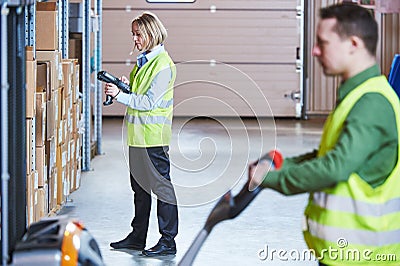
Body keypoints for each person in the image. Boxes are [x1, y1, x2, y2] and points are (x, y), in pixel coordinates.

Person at [249, 3, 400, 265]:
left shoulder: (371, 103)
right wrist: (287, 164)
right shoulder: (359, 95)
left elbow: (335, 167)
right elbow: (333, 154)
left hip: (363, 257)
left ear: (353, 44)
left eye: (323, 42)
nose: (315, 51)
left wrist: (273, 178)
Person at [105, 11, 178, 257]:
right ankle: (138, 237)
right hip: (138, 137)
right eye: (133, 35)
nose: (134, 39)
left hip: (153, 139)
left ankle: (168, 241)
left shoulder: (163, 65)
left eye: (138, 34)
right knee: (140, 190)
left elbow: (148, 102)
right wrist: (126, 86)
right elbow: (139, 92)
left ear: (151, 33)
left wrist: (119, 95)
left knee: (162, 189)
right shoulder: (144, 61)